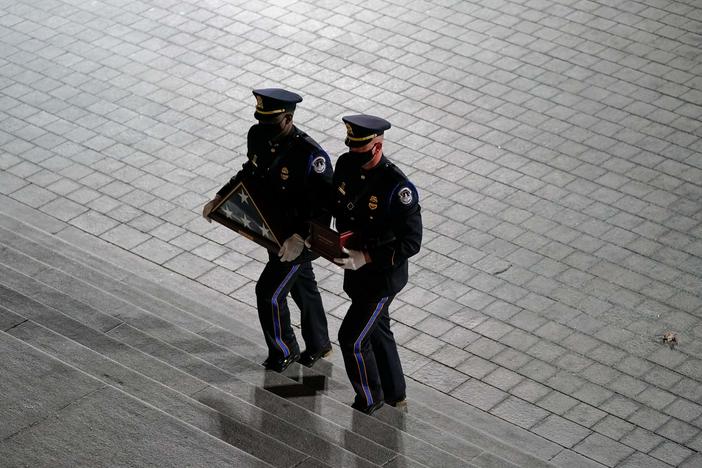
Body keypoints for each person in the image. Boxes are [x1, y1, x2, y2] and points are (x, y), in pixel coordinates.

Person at [203, 88, 333, 372]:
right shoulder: (258, 134)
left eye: (270, 122)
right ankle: (320, 343)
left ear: (287, 119)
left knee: (269, 292)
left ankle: (284, 351)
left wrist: (300, 238)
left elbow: (323, 208)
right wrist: (221, 197)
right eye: (261, 120)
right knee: (303, 289)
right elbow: (250, 172)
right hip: (274, 232)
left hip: (299, 240)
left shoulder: (311, 156)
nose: (264, 127)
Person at [328, 115, 422, 414]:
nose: (355, 156)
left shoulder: (398, 187)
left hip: (382, 277)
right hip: (355, 272)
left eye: (361, 149)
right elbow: (336, 206)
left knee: (352, 338)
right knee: (379, 330)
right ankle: (396, 393)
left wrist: (366, 257)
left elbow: (411, 242)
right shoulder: (345, 165)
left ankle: (370, 398)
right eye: (352, 148)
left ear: (377, 146)